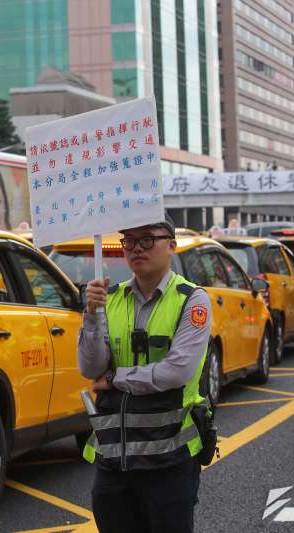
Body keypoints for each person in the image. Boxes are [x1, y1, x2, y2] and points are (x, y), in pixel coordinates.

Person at [78, 217, 212, 532]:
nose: (137, 248)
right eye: (129, 241)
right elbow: (90, 368)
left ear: (171, 245)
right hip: (114, 455)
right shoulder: (110, 299)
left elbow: (176, 371)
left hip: (169, 456)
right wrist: (91, 315)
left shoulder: (192, 300)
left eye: (147, 240)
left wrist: (115, 379)